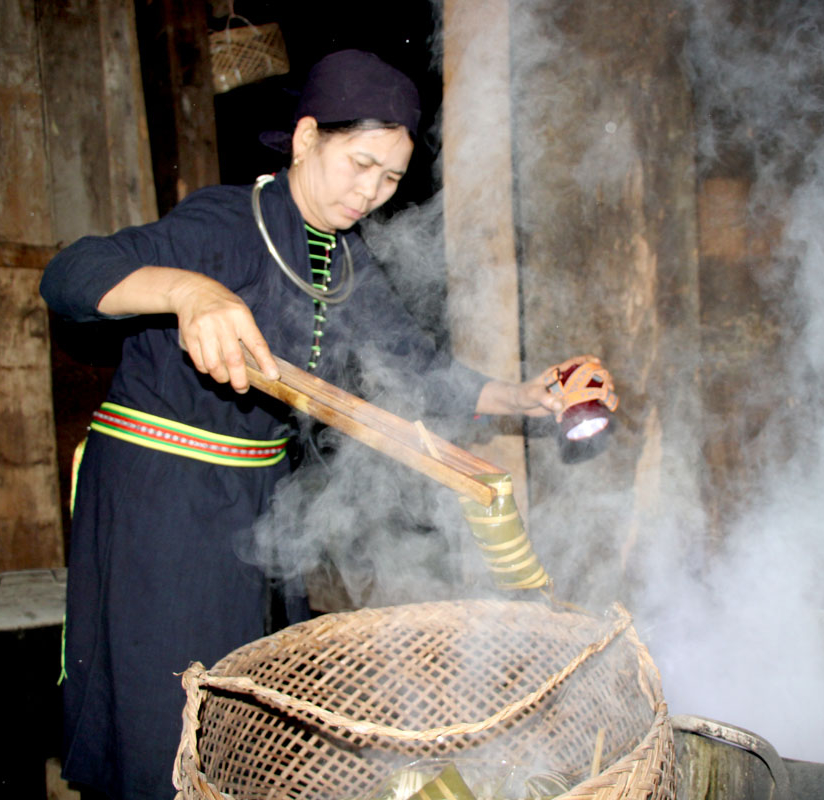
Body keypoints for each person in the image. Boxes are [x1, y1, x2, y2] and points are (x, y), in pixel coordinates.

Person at [40, 49, 611, 800]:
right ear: (307, 137)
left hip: (254, 502)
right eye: (360, 163)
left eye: (391, 179)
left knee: (243, 697)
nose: (370, 192)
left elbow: (416, 368)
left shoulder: (344, 263)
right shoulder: (225, 222)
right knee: (165, 701)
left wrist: (523, 397)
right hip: (163, 497)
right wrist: (189, 292)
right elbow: (70, 275)